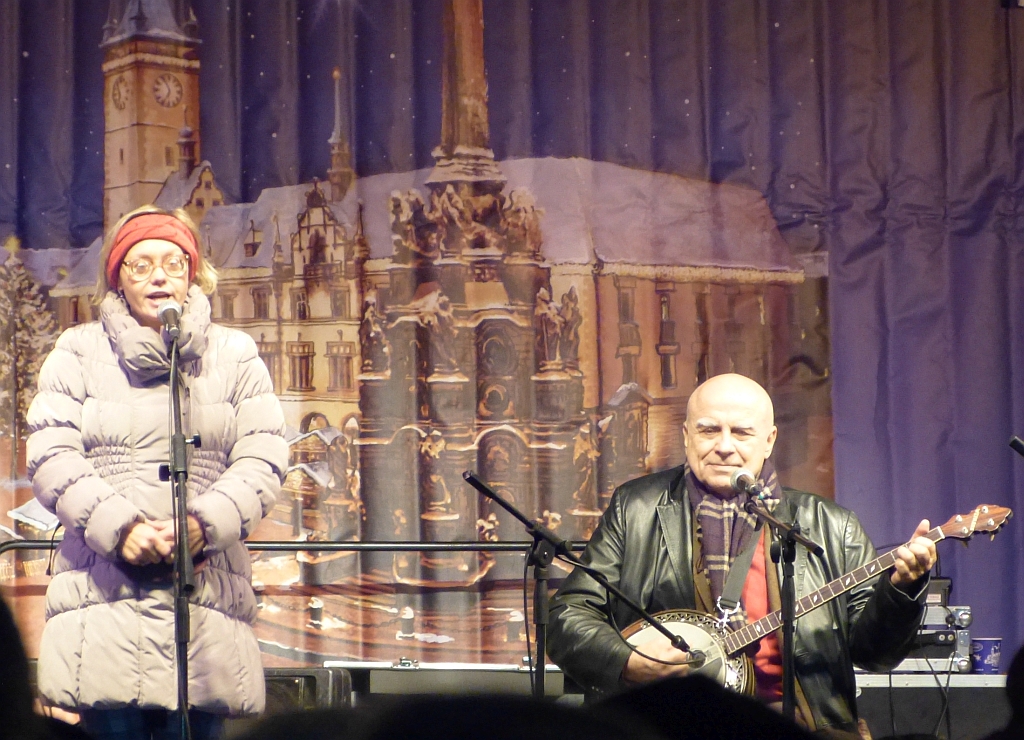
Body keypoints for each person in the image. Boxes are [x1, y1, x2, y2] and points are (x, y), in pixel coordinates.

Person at [547, 373, 936, 737]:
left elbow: (876, 655)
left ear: (769, 440)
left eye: (741, 432)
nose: (724, 446)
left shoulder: (831, 525)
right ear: (686, 435)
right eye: (708, 430)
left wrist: (901, 590)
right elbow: (569, 614)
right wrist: (627, 661)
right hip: (667, 726)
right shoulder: (635, 508)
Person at [26, 205, 289, 740]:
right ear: (117, 278)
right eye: (141, 265)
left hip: (204, 607)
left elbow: (263, 456)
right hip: (103, 605)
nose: (159, 277)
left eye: (173, 262)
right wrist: (121, 528)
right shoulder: (76, 351)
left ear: (193, 273)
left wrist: (204, 523)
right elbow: (51, 453)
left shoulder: (235, 355)